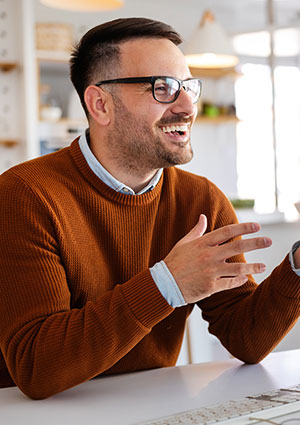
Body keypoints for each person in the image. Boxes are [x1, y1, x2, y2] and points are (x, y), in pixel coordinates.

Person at [0, 17, 300, 401]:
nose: (189, 105)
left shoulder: (201, 200)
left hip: (153, 409)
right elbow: (36, 367)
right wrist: (167, 285)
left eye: (189, 87)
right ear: (100, 104)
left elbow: (245, 338)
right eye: (163, 89)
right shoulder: (25, 194)